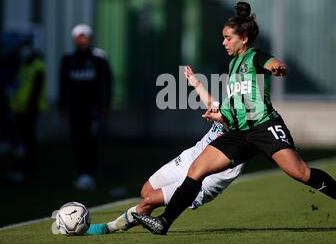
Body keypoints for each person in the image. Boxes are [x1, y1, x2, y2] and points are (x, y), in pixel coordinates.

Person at [134, 2, 336, 235]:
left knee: (300, 173)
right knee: (197, 169)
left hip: (264, 126)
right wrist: (220, 113)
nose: (223, 42)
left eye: (228, 38)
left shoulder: (254, 57)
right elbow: (239, 102)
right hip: (240, 134)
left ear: (244, 39)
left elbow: (272, 64)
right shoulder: (233, 64)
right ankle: (164, 222)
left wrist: (278, 67)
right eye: (223, 38)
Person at [81, 66, 244, 235]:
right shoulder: (231, 101)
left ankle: (109, 227)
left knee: (150, 200)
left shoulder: (251, 110)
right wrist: (195, 83)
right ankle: (142, 217)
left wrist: (219, 117)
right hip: (194, 156)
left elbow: (235, 125)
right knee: (146, 191)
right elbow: (212, 104)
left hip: (212, 173)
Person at [59, 24, 112, 191]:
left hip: (93, 109)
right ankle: (81, 172)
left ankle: (89, 174)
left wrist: (106, 103)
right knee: (77, 140)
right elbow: (63, 84)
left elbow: (108, 82)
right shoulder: (68, 60)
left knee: (90, 140)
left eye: (85, 37)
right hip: (75, 108)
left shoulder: (98, 59)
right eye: (78, 38)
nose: (82, 41)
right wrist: (63, 106)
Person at [6, 38, 47, 182]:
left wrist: (29, 106)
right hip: (19, 107)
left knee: (28, 138)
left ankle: (29, 166)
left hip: (30, 109)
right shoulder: (24, 64)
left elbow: (36, 89)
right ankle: (25, 165)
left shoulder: (37, 65)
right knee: (23, 139)